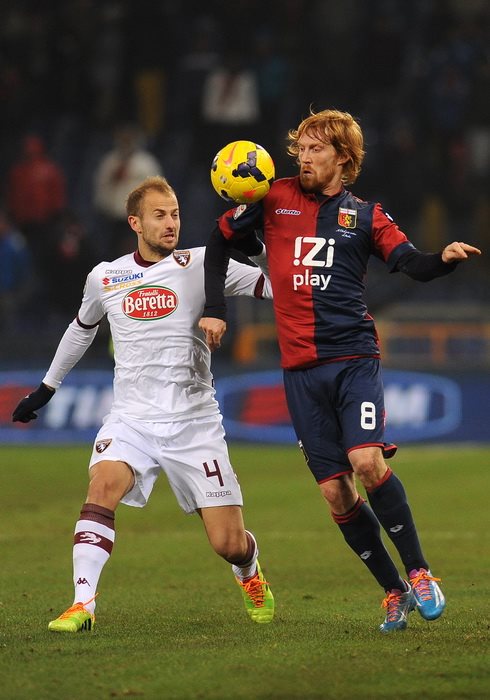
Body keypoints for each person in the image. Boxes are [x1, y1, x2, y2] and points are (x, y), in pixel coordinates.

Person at [199, 108, 482, 632]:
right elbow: (218, 242)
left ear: (343, 158)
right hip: (299, 371)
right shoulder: (271, 198)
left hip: (353, 359)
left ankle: (420, 572)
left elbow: (411, 264)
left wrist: (442, 259)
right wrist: (216, 307)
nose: (303, 158)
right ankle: (394, 592)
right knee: (335, 491)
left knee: (366, 461)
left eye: (315, 149)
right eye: (300, 149)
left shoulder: (366, 215)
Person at [12, 175, 274, 632]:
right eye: (159, 215)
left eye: (175, 214)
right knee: (102, 486)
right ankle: (82, 604)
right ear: (135, 222)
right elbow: (81, 330)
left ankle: (249, 571)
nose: (171, 223)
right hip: (131, 419)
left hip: (194, 423)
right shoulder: (105, 277)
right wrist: (47, 388)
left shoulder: (203, 263)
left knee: (228, 543)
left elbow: (277, 286)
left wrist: (262, 248)